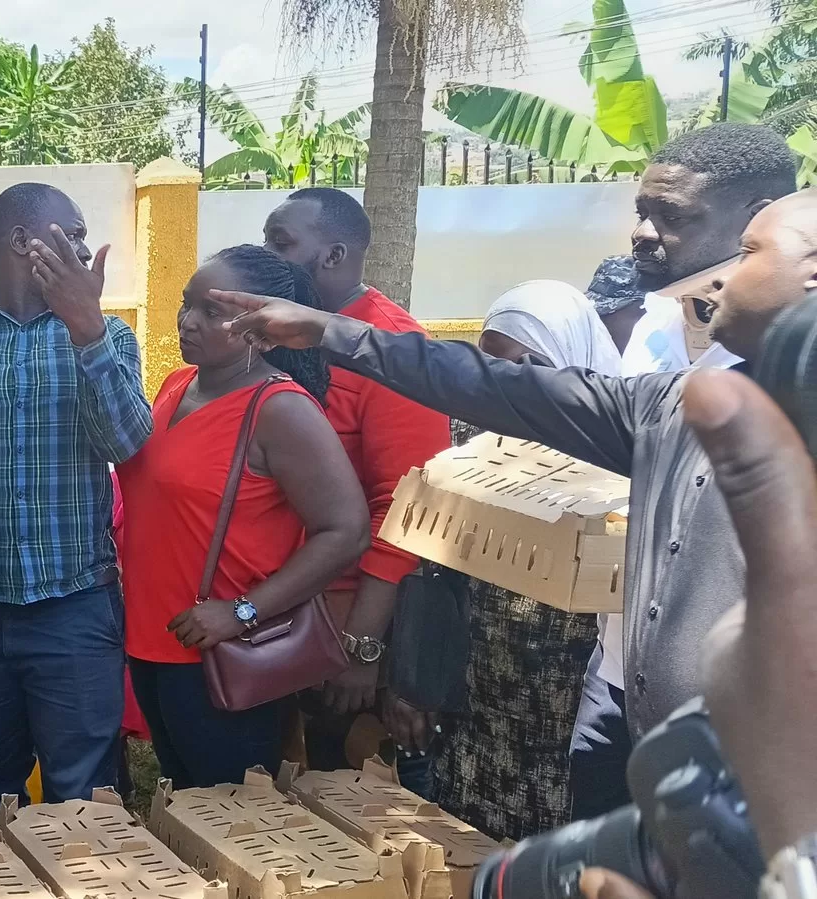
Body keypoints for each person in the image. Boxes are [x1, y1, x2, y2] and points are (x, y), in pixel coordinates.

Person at [209, 168, 815, 807]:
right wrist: (328, 331)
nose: (721, 276)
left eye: (748, 254)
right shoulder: (669, 405)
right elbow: (494, 385)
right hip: (626, 721)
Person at [564, 130, 785, 820]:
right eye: (641, 210)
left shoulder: (790, 365)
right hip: (616, 670)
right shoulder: (654, 324)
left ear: (760, 215)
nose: (642, 233)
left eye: (674, 216)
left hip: (733, 702)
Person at [117, 245, 369, 788]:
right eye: (187, 305)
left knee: (229, 830)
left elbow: (346, 531)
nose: (187, 321)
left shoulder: (279, 409)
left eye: (212, 311)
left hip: (223, 655)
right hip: (153, 645)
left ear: (264, 322)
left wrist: (244, 611)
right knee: (180, 812)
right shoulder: (176, 386)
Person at [0, 183, 153, 810]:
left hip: (76, 606)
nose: (88, 250)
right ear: (22, 242)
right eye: (76, 233)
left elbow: (126, 443)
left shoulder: (108, 336)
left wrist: (85, 329)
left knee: (86, 799)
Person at [261, 187, 451, 771]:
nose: (267, 257)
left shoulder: (392, 349)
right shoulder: (284, 336)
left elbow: (408, 507)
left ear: (335, 255)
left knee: (337, 792)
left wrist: (362, 647)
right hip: (277, 609)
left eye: (282, 243)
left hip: (344, 621)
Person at [419, 281, 617, 840]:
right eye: (491, 364)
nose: (506, 382)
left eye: (527, 365)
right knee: (468, 844)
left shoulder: (615, 443)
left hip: (567, 696)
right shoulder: (468, 434)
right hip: (475, 689)